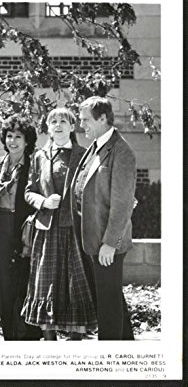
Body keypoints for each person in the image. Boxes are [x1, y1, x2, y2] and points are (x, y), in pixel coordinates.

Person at [21, 108, 97, 340]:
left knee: (75, 284)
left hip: (75, 230)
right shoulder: (39, 156)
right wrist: (43, 202)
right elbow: (29, 191)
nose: (58, 125)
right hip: (47, 231)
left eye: (64, 121)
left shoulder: (85, 155)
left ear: (72, 127)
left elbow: (92, 191)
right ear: (48, 128)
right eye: (53, 121)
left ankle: (75, 341)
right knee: (46, 285)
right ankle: (50, 342)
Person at [71, 96, 136, 340]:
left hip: (106, 243)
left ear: (102, 118)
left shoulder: (122, 151)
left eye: (86, 120)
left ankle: (110, 356)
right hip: (91, 240)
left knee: (107, 305)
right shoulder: (95, 145)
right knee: (109, 298)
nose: (81, 125)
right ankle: (125, 347)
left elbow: (123, 204)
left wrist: (110, 243)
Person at [0, 115, 42, 341]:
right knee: (2, 285)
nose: (13, 141)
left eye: (18, 137)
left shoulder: (35, 165)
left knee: (23, 283)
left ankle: (27, 337)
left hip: (23, 231)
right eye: (9, 136)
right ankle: (9, 335)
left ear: (27, 141)